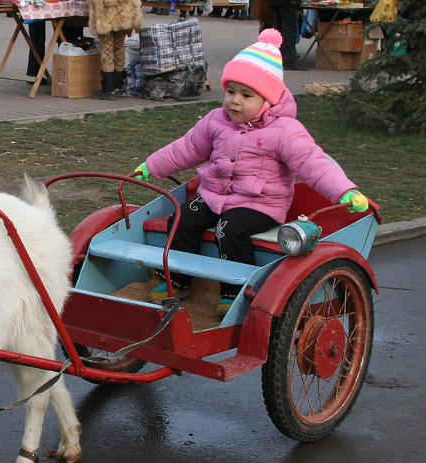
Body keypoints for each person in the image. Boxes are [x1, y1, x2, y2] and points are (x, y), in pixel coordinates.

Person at [133, 30, 369, 314]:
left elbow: (313, 163)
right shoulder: (216, 121)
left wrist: (344, 190)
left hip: (259, 203)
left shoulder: (284, 131)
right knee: (181, 217)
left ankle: (234, 291)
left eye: (246, 95)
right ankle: (177, 280)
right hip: (215, 195)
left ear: (268, 100)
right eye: (230, 91)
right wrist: (152, 166)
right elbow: (186, 148)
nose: (234, 101)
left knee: (230, 230)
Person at [88, 0, 143, 100]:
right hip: (125, 12)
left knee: (106, 49)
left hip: (106, 13)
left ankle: (108, 89)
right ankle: (118, 87)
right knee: (119, 47)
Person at [268, 0, 308, 69]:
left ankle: (278, 57)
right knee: (288, 30)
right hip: (287, 3)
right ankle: (290, 61)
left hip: (277, 3)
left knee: (278, 29)